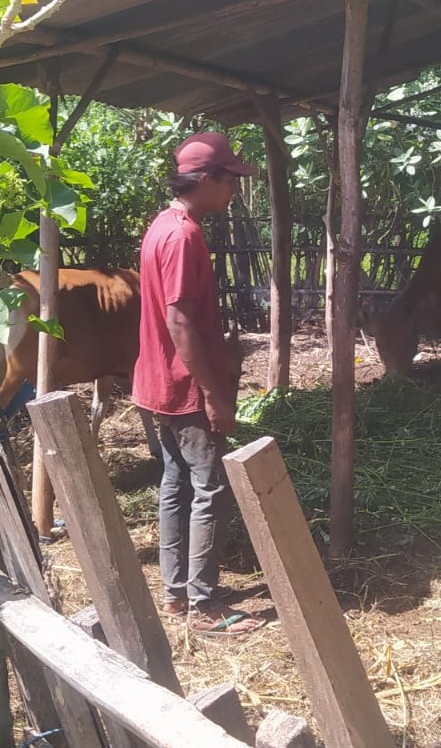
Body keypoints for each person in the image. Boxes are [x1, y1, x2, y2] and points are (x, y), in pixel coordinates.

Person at [132, 131, 263, 635]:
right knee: (209, 489)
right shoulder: (184, 236)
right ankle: (205, 608)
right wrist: (212, 393)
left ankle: (175, 593)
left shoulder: (161, 226)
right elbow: (180, 320)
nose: (233, 190)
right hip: (183, 386)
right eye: (229, 180)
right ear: (205, 180)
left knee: (174, 484)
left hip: (155, 384)